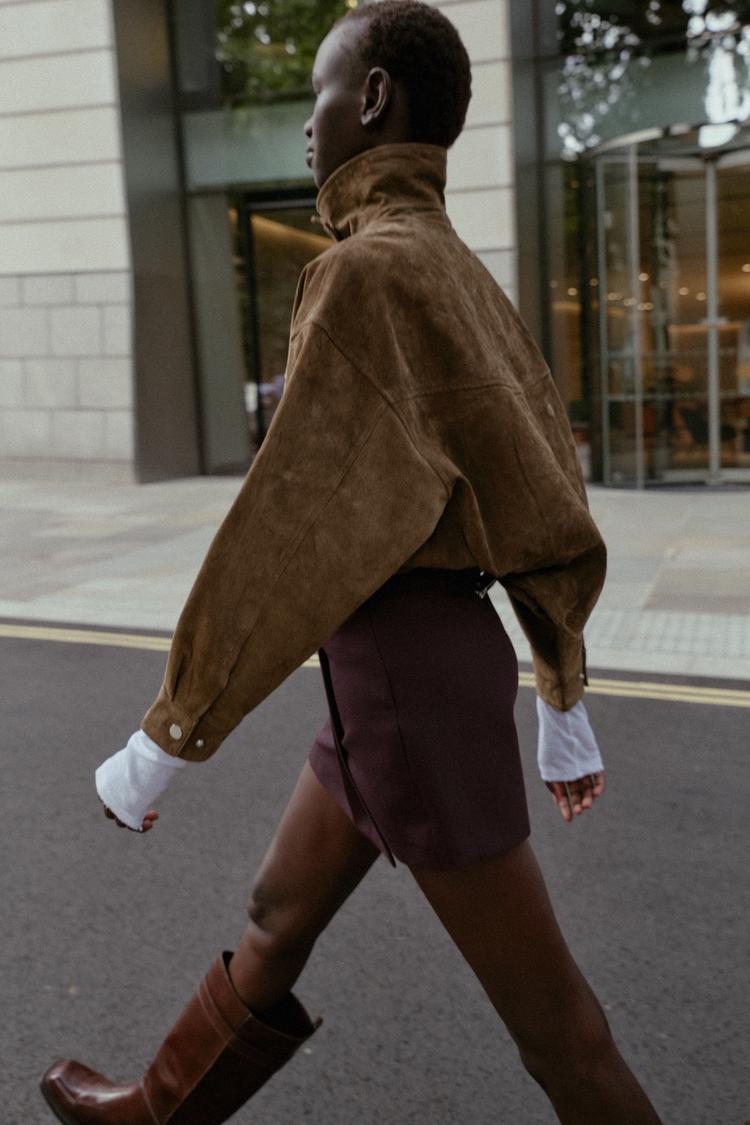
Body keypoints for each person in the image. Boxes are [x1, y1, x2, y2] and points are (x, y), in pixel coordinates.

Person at [40, 3, 663, 1123]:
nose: (307, 130)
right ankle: (152, 1112)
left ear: (373, 99)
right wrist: (561, 689)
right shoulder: (452, 268)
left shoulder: (360, 275)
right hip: (414, 671)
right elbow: (544, 495)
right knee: (279, 908)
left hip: (401, 685)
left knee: (559, 1032)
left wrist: (166, 736)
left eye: (321, 96)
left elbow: (288, 531)